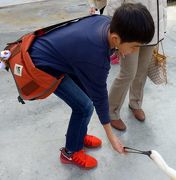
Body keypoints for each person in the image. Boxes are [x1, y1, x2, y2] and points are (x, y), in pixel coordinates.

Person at [29, 3, 155, 169]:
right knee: (84, 107)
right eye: (134, 46)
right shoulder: (95, 56)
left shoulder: (106, 24)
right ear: (116, 39)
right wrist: (112, 138)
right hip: (42, 65)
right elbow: (100, 98)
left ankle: (78, 136)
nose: (134, 51)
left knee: (84, 99)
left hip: (65, 57)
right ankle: (70, 152)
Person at [105, 0, 167, 131]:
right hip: (129, 32)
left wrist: (162, 28)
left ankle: (135, 103)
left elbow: (162, 4)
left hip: (151, 31)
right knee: (128, 73)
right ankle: (111, 111)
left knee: (142, 71)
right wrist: (115, 32)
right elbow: (114, 3)